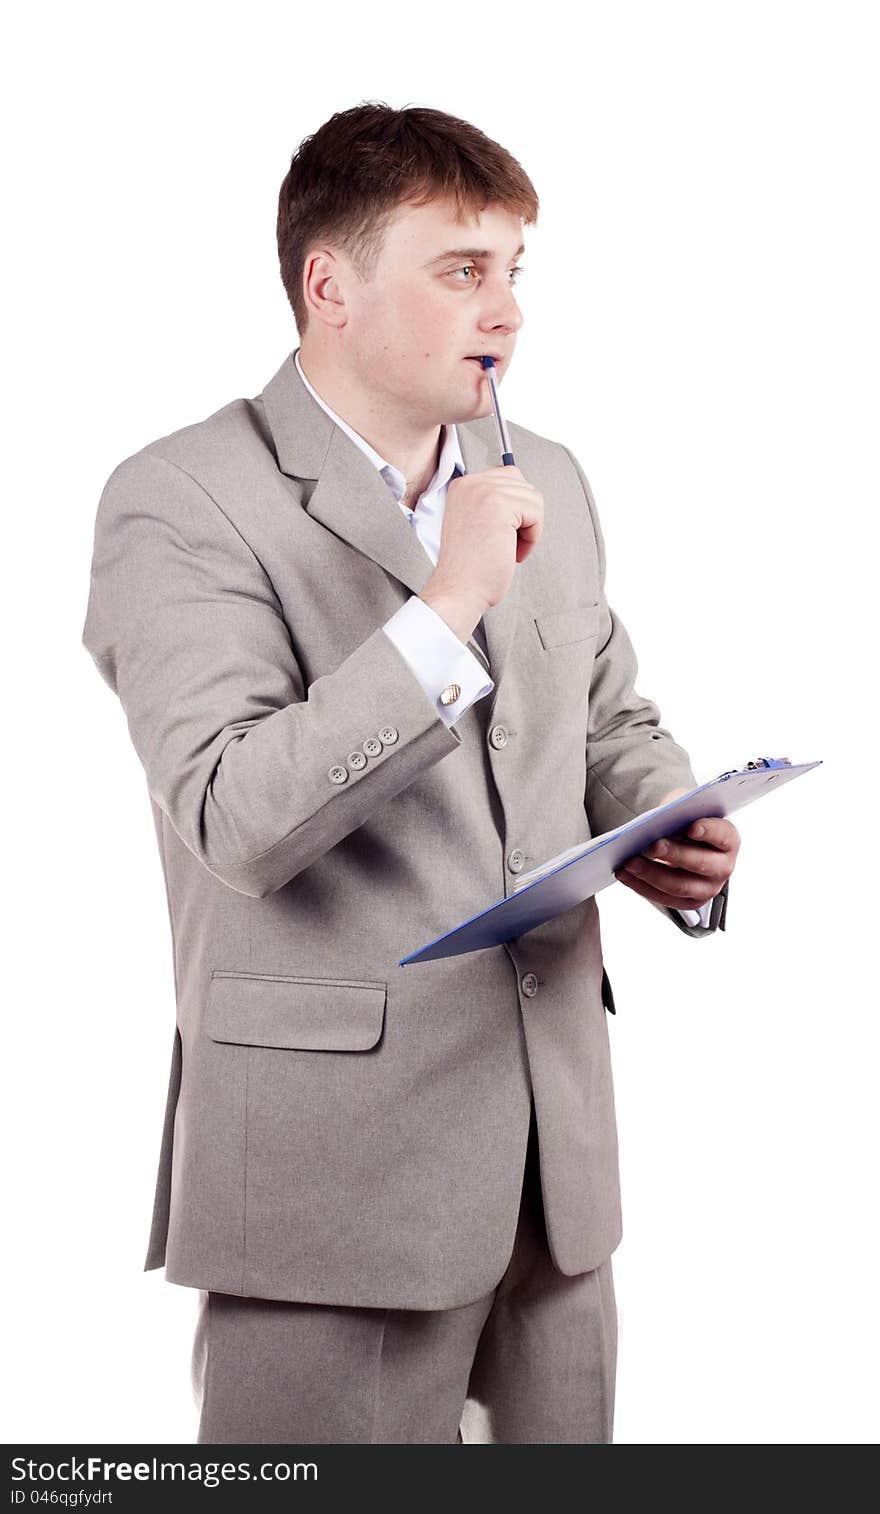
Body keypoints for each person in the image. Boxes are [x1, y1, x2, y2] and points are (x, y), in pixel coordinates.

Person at [81, 101, 739, 1445]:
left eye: (513, 271)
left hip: (556, 1180)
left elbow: (605, 713)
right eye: (461, 270)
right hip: (332, 1183)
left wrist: (668, 816)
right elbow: (235, 812)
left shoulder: (542, 470)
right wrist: (440, 614)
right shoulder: (180, 501)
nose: (505, 307)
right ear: (330, 286)